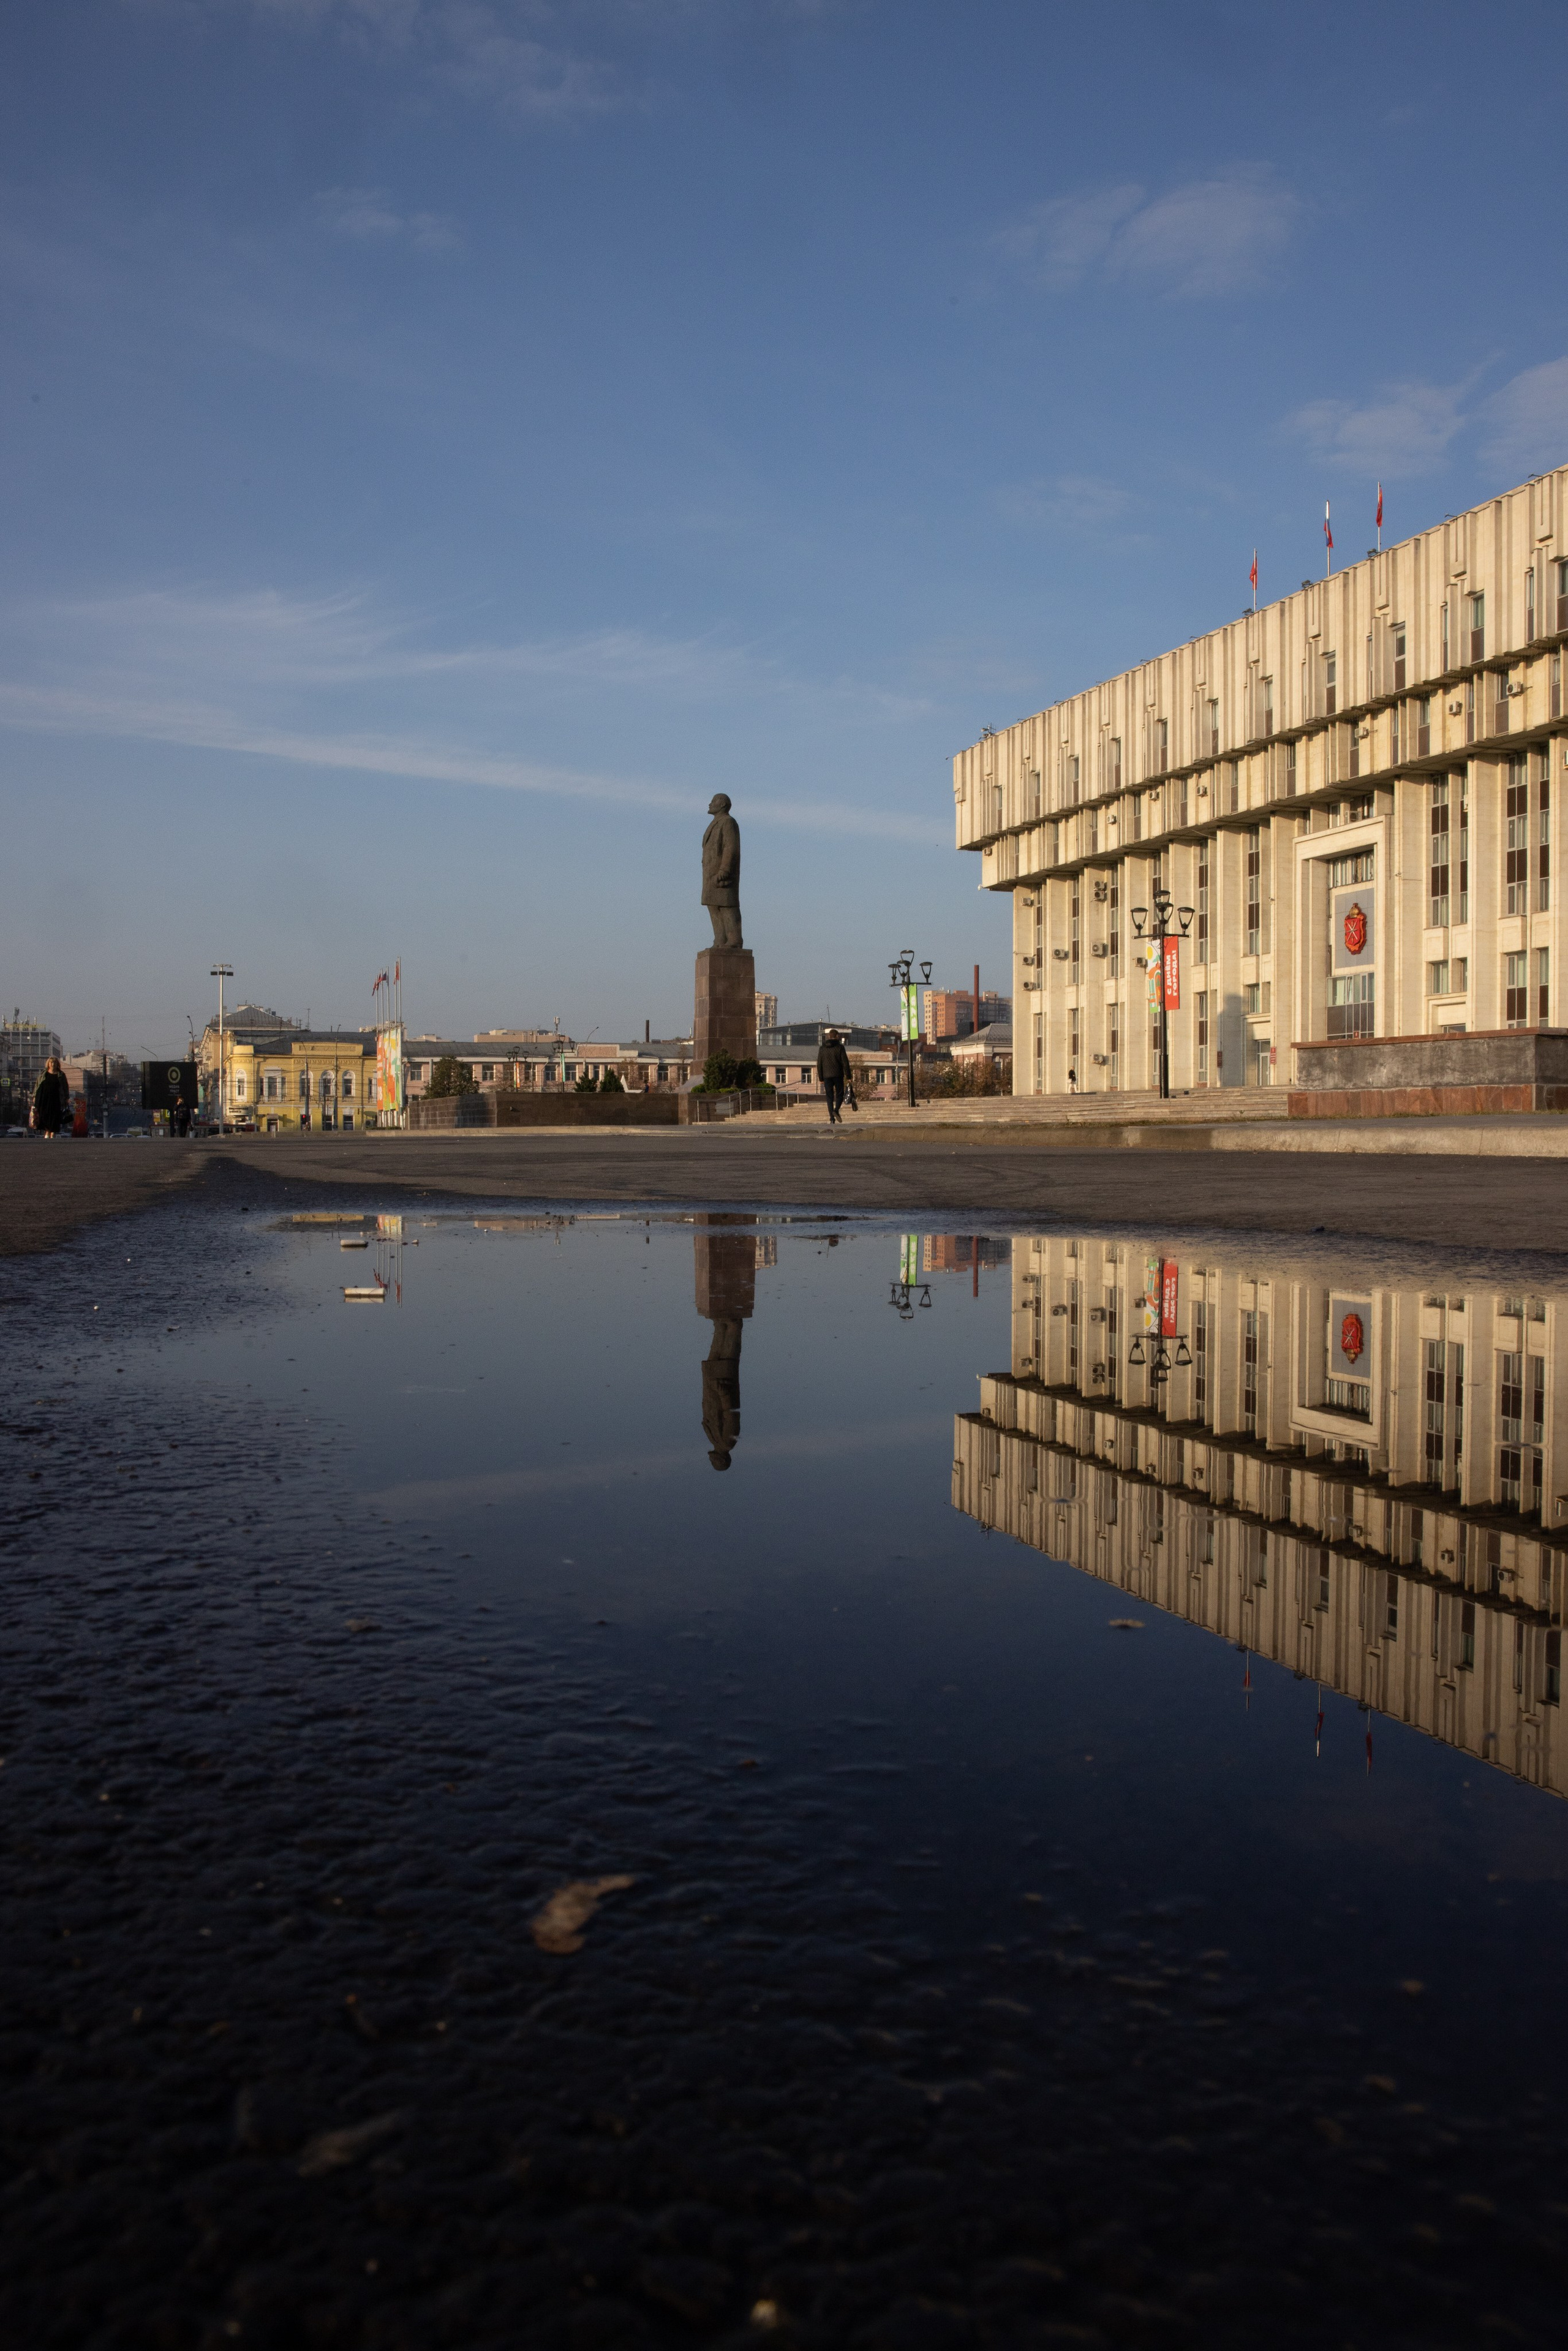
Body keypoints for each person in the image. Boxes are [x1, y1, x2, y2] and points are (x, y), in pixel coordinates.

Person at [816, 1028, 851, 1124]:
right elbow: (845, 1063)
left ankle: (832, 1118)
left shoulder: (822, 1048)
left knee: (829, 1097)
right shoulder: (840, 1047)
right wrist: (849, 1076)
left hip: (827, 1076)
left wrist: (821, 1078)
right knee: (840, 1094)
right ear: (837, 1036)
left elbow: (819, 1063)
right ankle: (836, 1110)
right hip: (838, 1075)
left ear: (828, 1036)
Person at [31, 1055, 69, 1139]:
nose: (53, 1064)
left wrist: (67, 1098)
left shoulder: (61, 1075)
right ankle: (47, 1132)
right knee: (44, 1115)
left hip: (56, 1099)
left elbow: (65, 1087)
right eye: (51, 1062)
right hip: (44, 1099)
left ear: (57, 1064)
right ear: (48, 1064)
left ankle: (52, 1133)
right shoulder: (44, 1074)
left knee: (55, 1116)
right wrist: (34, 1096)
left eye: (55, 1062)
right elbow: (37, 1085)